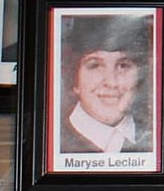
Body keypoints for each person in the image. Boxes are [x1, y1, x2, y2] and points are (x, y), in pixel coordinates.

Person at [58, 14, 153, 155]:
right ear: (74, 79)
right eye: (95, 65)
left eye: (123, 65)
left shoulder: (154, 136)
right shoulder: (54, 140)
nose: (111, 82)